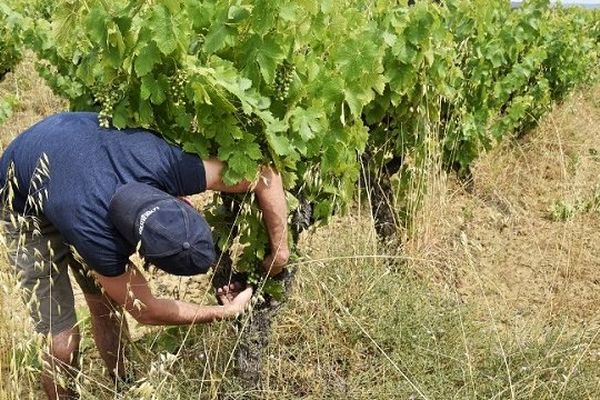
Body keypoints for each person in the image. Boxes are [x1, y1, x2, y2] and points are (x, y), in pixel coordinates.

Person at [0, 112, 289, 399]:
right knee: (62, 341)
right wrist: (224, 312)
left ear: (182, 200)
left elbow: (264, 175)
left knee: (107, 306)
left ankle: (121, 384)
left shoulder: (167, 163)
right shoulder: (99, 237)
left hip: (68, 151)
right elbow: (147, 310)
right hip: (20, 196)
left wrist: (280, 251)